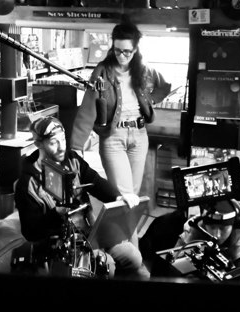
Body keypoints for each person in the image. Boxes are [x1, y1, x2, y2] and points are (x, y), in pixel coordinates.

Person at [14, 115, 150, 279]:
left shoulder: (72, 160)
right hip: (60, 246)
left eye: (63, 140)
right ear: (38, 144)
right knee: (107, 266)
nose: (61, 147)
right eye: (53, 143)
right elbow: (30, 232)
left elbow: (95, 181)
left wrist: (118, 198)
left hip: (91, 232)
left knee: (134, 258)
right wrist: (55, 214)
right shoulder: (27, 184)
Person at [70, 20, 171, 199]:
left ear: (135, 49)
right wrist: (76, 146)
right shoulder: (102, 72)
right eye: (117, 50)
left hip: (139, 136)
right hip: (113, 137)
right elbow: (88, 108)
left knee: (133, 195)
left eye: (127, 51)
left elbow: (164, 86)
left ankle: (128, 220)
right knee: (124, 196)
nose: (122, 56)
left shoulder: (144, 70)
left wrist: (150, 101)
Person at [174, 199, 240, 280]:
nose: (217, 235)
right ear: (203, 225)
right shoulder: (187, 238)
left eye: (223, 228)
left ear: (234, 226)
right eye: (212, 227)